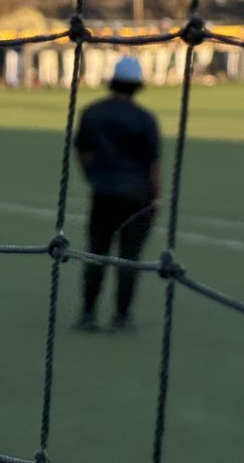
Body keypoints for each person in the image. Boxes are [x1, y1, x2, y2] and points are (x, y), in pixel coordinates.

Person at [73, 56, 160, 333]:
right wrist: (154, 199)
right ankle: (122, 317)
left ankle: (88, 314)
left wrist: (95, 179)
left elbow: (83, 154)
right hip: (137, 197)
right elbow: (153, 166)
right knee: (129, 257)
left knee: (97, 253)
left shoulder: (91, 113)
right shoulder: (145, 119)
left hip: (104, 193)